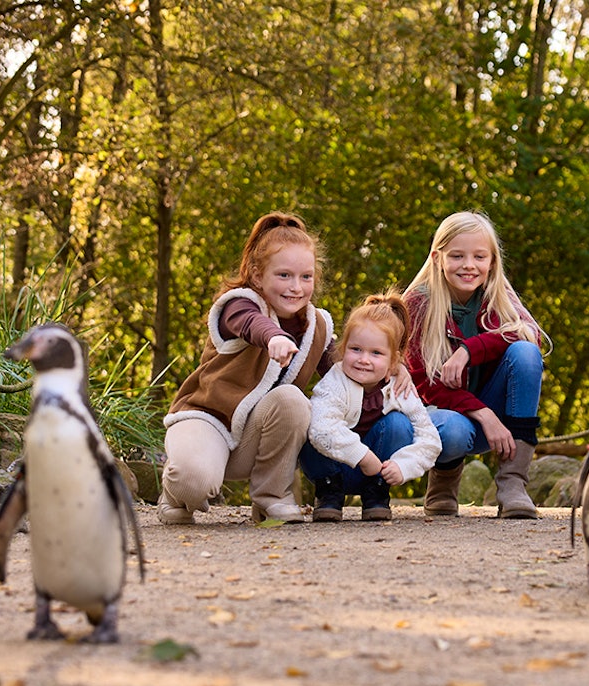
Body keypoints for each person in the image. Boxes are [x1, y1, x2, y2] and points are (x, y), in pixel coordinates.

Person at [160, 211, 334, 525]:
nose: (296, 287)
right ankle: (174, 494)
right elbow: (250, 323)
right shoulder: (237, 304)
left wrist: (392, 371)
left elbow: (347, 371)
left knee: (294, 400)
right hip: (207, 421)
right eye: (284, 275)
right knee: (193, 483)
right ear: (256, 275)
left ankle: (271, 496)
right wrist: (274, 337)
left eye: (306, 277)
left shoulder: (316, 325)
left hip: (253, 441)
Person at [404, 211, 548, 519]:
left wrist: (469, 350)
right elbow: (425, 386)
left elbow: (531, 335)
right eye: (457, 256)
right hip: (445, 420)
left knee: (525, 352)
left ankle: (513, 483)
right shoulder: (416, 304)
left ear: (492, 262)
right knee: (453, 430)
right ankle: (443, 483)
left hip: (499, 421)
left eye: (479, 257)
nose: (469, 265)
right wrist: (484, 414)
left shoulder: (496, 294)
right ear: (438, 258)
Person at [303, 292, 441, 522]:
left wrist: (403, 465)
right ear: (343, 349)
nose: (364, 359)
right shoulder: (335, 381)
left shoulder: (399, 387)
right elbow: (321, 430)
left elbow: (430, 439)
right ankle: (329, 495)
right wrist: (364, 457)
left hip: (379, 471)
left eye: (376, 353)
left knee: (399, 423)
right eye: (355, 349)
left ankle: (376, 494)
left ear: (393, 361)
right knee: (310, 421)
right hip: (334, 467)